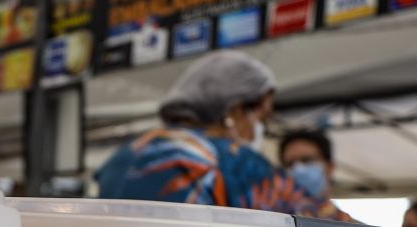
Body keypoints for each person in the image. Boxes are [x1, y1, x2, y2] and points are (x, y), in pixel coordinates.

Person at [95, 52, 329, 216]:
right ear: (235, 110)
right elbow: (327, 225)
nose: (261, 128)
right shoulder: (235, 163)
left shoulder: (124, 156)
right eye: (262, 117)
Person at [278, 129, 352, 221]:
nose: (298, 169)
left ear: (330, 167)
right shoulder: (272, 222)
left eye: (306, 160)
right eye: (290, 164)